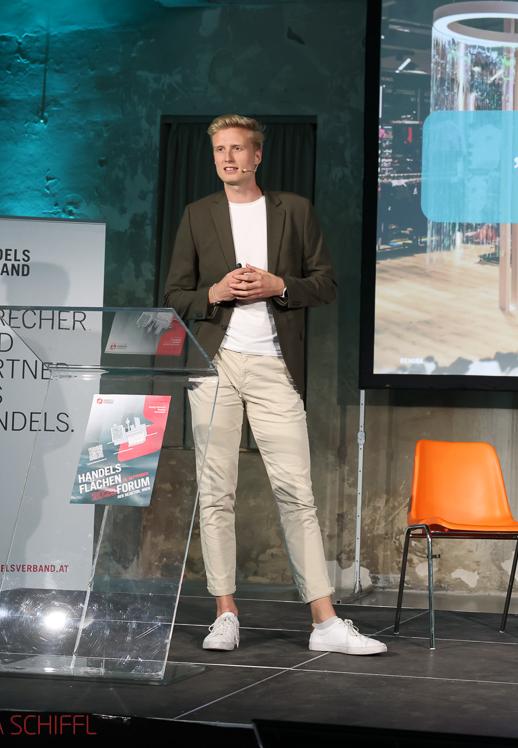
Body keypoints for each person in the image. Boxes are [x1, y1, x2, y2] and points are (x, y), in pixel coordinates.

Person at [164, 114, 385, 656]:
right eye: (220, 149)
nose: (228, 158)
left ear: (257, 155)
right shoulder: (197, 214)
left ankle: (325, 623)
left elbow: (326, 284)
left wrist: (278, 284)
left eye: (238, 148)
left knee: (296, 493)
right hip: (213, 366)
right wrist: (215, 292)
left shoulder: (294, 210)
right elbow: (174, 295)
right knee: (216, 493)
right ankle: (225, 614)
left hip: (274, 366)